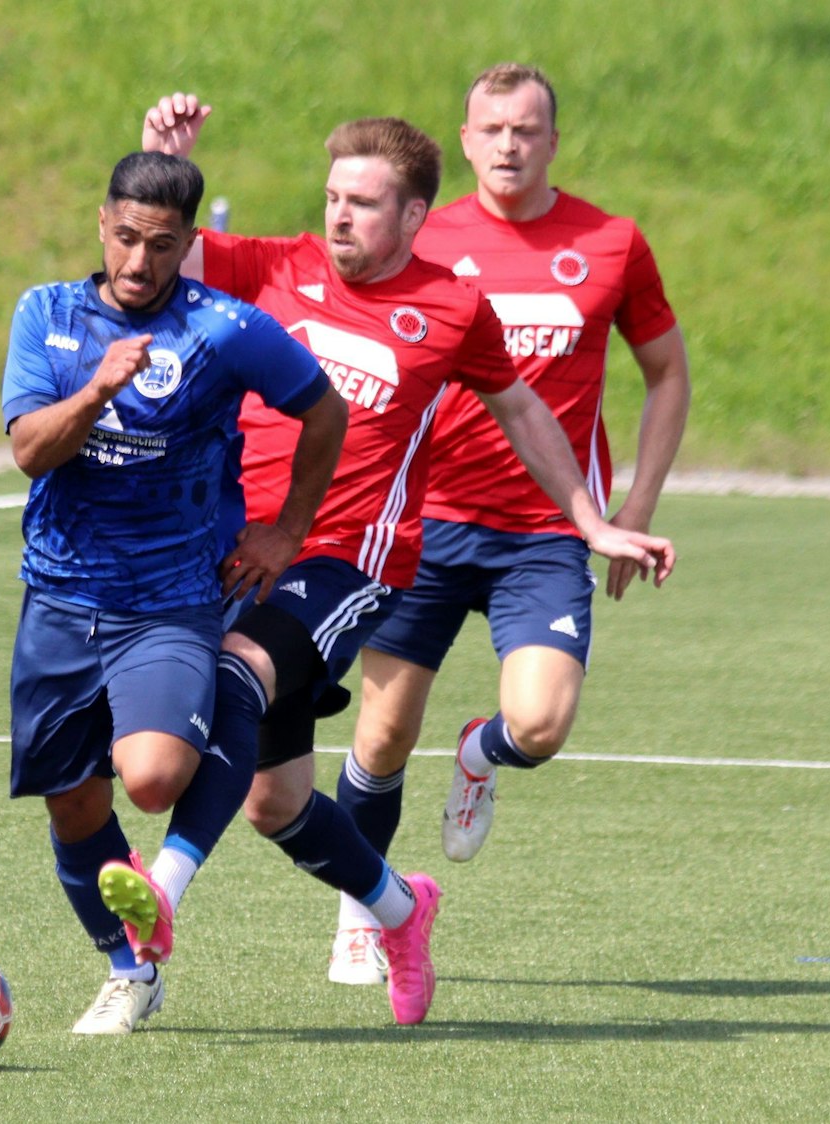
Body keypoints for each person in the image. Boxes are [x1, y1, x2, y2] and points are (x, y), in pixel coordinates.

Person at [132, 95, 676, 1023]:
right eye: (335, 196)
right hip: (231, 550)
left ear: (413, 216)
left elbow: (524, 414)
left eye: (366, 202)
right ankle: (397, 906)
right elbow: (152, 255)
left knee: (238, 674)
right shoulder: (277, 267)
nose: (341, 213)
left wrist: (591, 518)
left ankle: (161, 901)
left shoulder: (450, 308)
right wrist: (160, 160)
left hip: (350, 563)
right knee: (274, 803)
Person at [323, 63, 694, 986]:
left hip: (543, 533)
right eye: (490, 129)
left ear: (552, 141)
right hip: (424, 527)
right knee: (377, 740)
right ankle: (363, 909)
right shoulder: (423, 236)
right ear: (464, 138)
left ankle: (478, 755)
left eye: (525, 130)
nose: (507, 145)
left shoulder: (611, 243)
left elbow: (667, 375)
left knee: (539, 724)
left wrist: (632, 508)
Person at [2, 150, 347, 1035]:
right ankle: (130, 968)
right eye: (125, 238)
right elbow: (32, 451)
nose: (138, 262)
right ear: (102, 225)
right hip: (58, 595)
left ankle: (161, 892)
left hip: (168, 599)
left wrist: (286, 530)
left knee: (150, 779)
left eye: (160, 245)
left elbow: (324, 410)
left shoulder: (223, 329)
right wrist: (97, 389)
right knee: (74, 805)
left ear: (189, 242)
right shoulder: (45, 315)